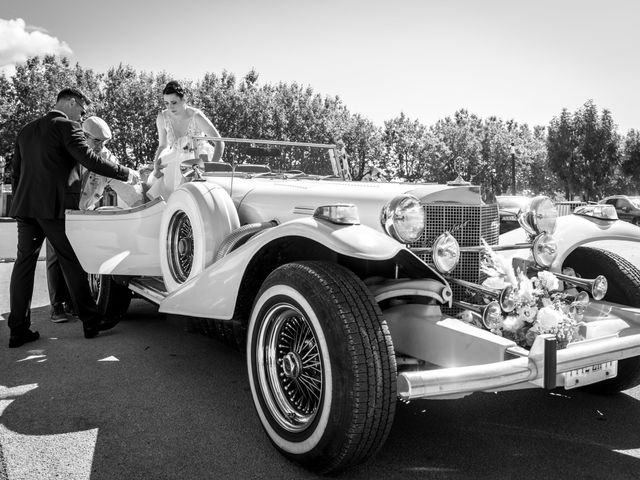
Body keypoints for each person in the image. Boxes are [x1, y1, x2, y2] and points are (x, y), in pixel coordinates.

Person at [7, 87, 140, 348]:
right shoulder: (67, 127)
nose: (82, 115)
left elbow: (15, 173)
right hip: (55, 209)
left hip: (26, 209)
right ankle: (91, 322)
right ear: (70, 101)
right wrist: (126, 173)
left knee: (23, 265)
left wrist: (21, 203)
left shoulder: (26, 130)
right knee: (71, 261)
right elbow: (89, 159)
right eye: (82, 109)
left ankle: (18, 330)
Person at [46, 116, 145, 323]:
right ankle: (57, 306)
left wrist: (142, 205)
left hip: (83, 212)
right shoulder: (67, 151)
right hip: (57, 210)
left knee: (79, 257)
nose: (101, 147)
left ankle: (73, 303)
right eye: (97, 141)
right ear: (84, 136)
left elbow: (124, 185)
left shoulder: (106, 157)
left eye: (104, 143)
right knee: (56, 256)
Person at [146, 80, 224, 200]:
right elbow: (162, 145)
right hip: (173, 159)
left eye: (174, 102)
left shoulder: (196, 116)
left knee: (195, 197)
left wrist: (211, 168)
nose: (170, 107)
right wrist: (156, 166)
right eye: (166, 103)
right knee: (165, 198)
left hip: (198, 159)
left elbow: (219, 142)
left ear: (184, 99)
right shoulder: (162, 117)